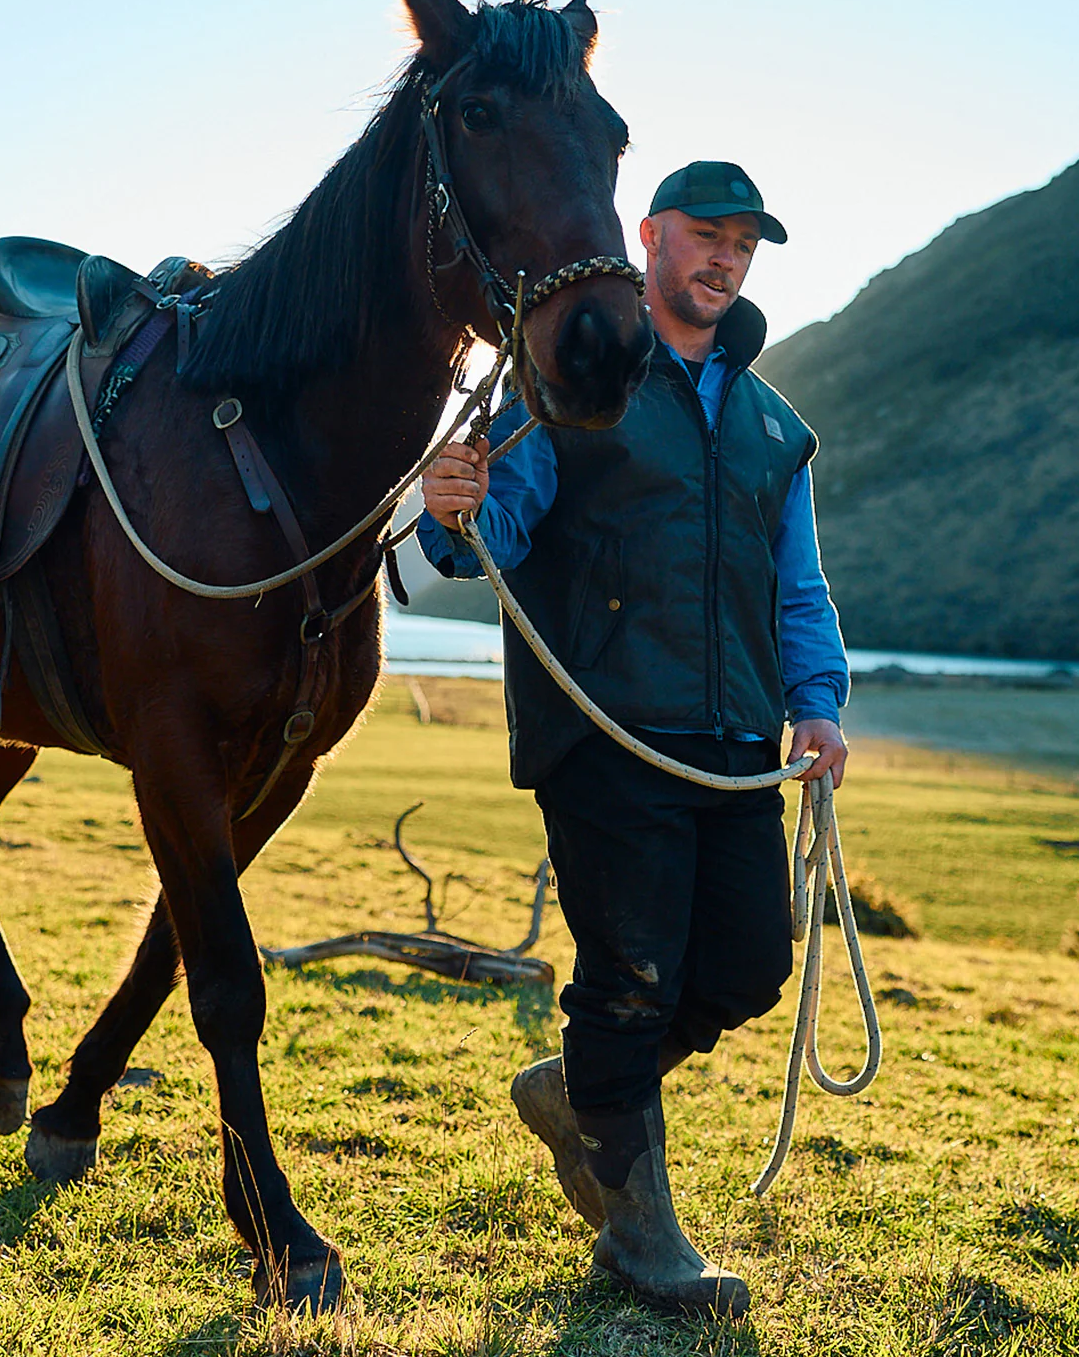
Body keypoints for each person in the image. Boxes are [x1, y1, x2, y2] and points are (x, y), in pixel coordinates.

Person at [417, 161, 850, 1317]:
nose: (723, 258)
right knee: (630, 986)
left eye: (742, 244)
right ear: (648, 237)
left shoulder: (772, 426)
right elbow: (495, 528)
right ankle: (642, 1239)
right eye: (703, 234)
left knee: (749, 963)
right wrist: (453, 507)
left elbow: (796, 587)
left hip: (734, 741)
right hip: (604, 731)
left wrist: (816, 702)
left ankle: (576, 1092)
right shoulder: (569, 380)